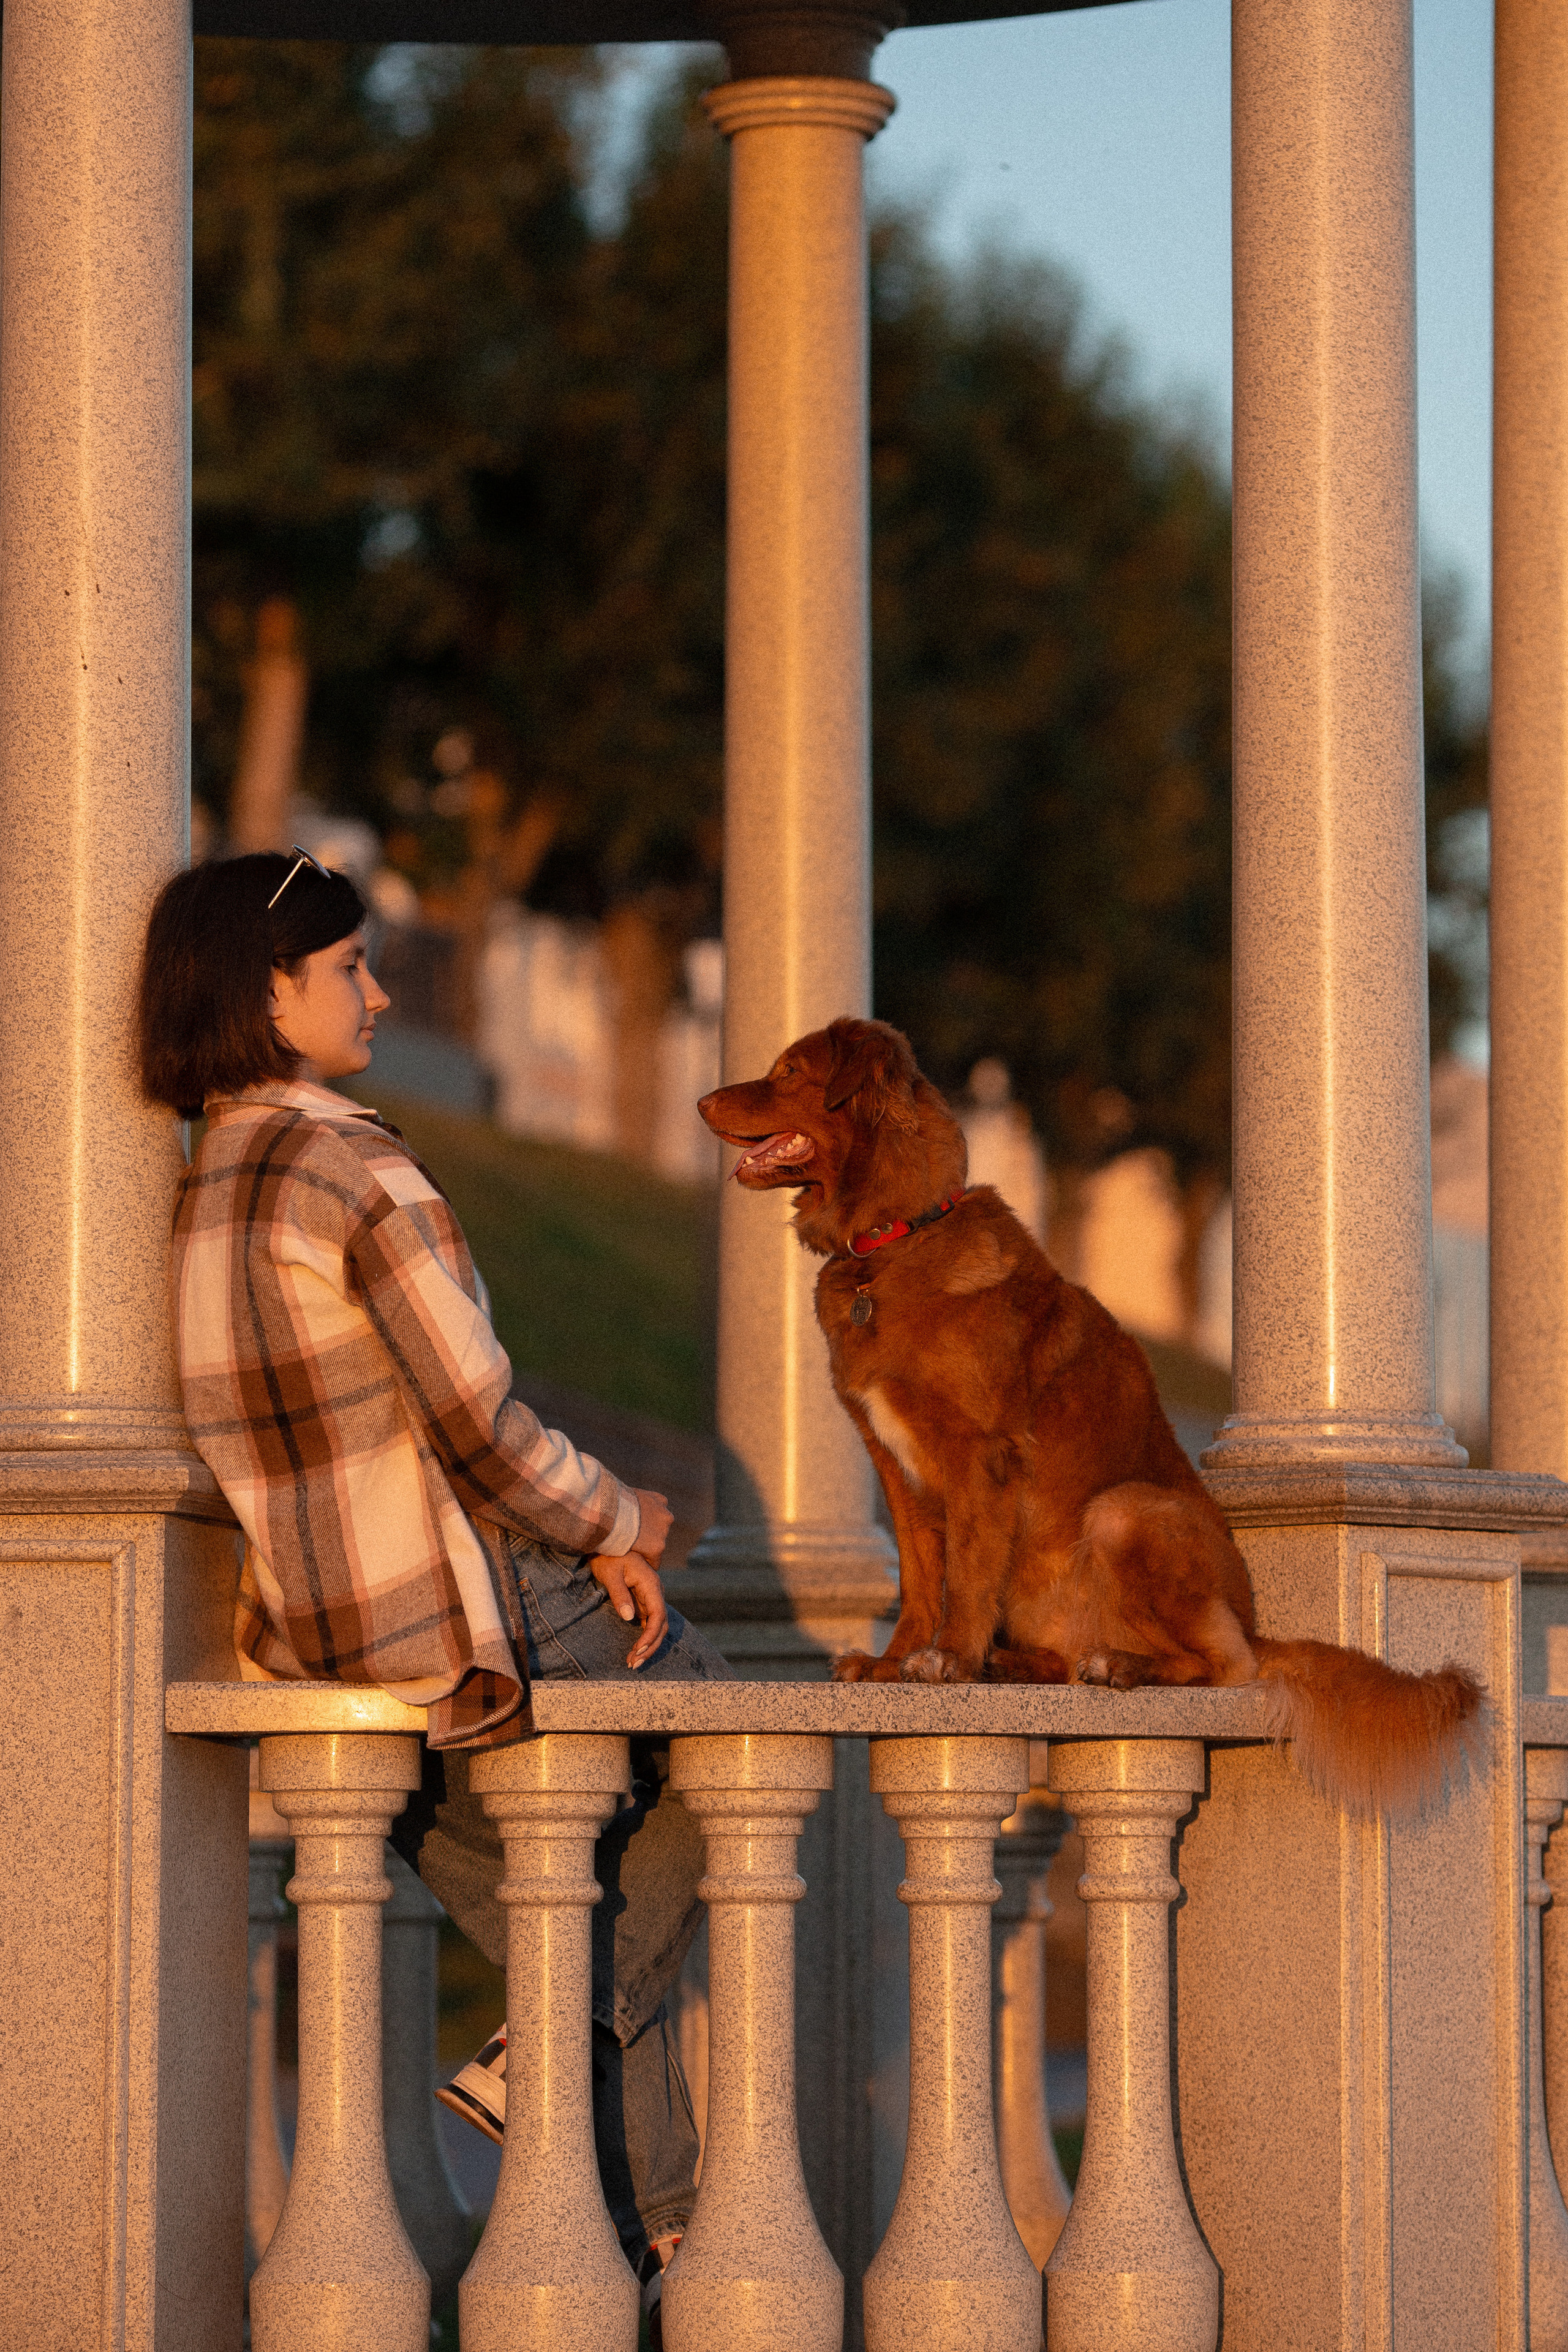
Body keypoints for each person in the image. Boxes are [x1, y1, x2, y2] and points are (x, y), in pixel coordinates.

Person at [139, 846, 729, 2332]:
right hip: (471, 1603)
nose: (380, 995)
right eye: (349, 968)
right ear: (269, 990)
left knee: (569, 1916)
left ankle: (661, 2241)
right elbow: (477, 1427)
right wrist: (625, 1518)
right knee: (739, 1750)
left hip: (318, 1636)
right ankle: (557, 2050)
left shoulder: (200, 1189)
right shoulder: (355, 1165)